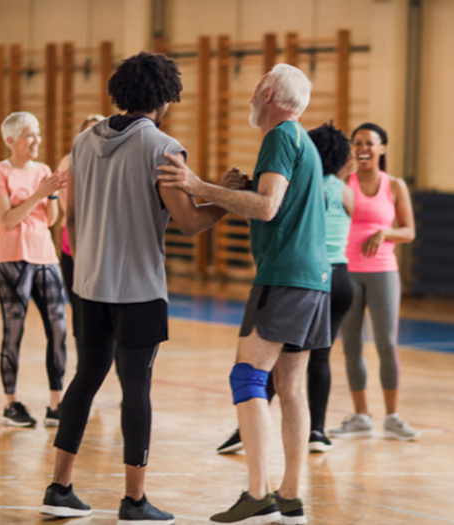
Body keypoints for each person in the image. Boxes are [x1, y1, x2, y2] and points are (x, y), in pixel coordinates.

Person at [40, 52, 229, 524]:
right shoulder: (163, 148)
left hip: (88, 282)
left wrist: (87, 269)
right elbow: (187, 222)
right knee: (136, 387)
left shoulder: (83, 142)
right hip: (139, 289)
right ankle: (134, 500)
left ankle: (59, 486)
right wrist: (223, 198)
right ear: (165, 98)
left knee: (85, 379)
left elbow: (76, 218)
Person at [158, 63, 329, 525]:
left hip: (284, 276)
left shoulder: (279, 137)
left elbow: (268, 207)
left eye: (257, 86)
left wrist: (198, 186)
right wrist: (232, 191)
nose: (251, 94)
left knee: (247, 377)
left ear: (270, 92)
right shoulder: (302, 142)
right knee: (290, 387)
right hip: (315, 279)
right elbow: (277, 202)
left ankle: (258, 493)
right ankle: (290, 494)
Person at [216, 122, 355, 456]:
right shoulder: (344, 191)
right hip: (339, 279)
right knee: (314, 361)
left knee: (271, 365)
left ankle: (247, 426)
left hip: (300, 277)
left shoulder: (302, 187)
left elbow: (268, 214)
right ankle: (317, 431)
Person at [329, 122, 419, 442]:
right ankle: (361, 416)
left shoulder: (395, 186)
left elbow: (408, 231)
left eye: (370, 142)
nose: (363, 148)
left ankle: (392, 417)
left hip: (383, 273)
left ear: (382, 148)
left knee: (387, 345)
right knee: (351, 346)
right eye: (357, 143)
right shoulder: (342, 183)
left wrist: (385, 233)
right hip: (347, 271)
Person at [0, 111, 68, 429]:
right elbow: (7, 220)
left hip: (45, 257)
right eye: (29, 136)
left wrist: (53, 191)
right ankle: (11, 403)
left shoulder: (44, 171)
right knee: (14, 330)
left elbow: (49, 220)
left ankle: (56, 404)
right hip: (11, 259)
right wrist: (38, 194)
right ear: (11, 141)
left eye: (38, 134)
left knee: (58, 330)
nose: (37, 141)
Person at [56, 114, 105, 311]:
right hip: (72, 240)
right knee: (76, 302)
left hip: (98, 243)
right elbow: (63, 198)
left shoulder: (108, 165)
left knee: (95, 305)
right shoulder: (68, 162)